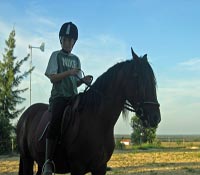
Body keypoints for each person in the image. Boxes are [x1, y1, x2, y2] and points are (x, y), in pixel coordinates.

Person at [43, 22, 92, 175]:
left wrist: (83, 81)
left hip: (73, 97)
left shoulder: (77, 59)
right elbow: (53, 78)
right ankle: (48, 162)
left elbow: (74, 83)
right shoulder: (55, 55)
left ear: (74, 42)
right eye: (65, 39)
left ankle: (92, 156)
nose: (68, 42)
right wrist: (69, 72)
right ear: (61, 40)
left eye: (71, 40)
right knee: (56, 121)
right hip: (59, 97)